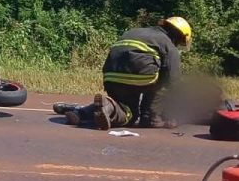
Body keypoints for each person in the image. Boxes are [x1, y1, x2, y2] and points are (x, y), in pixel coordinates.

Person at [56, 17, 191, 129]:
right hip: (139, 76)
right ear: (179, 36)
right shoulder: (168, 44)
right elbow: (173, 81)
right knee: (132, 114)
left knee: (121, 105)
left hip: (110, 75)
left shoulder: (135, 31)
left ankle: (83, 113)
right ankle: (150, 117)